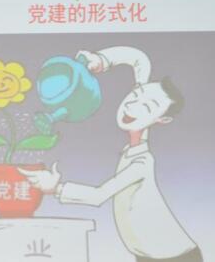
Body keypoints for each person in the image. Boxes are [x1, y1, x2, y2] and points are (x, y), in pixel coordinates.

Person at [20, 46, 201, 262]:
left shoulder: (142, 162)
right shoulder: (132, 148)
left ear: (162, 119)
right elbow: (139, 59)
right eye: (135, 94)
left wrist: (56, 189)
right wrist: (101, 60)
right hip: (146, 255)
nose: (132, 104)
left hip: (173, 257)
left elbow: (99, 195)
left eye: (148, 107)